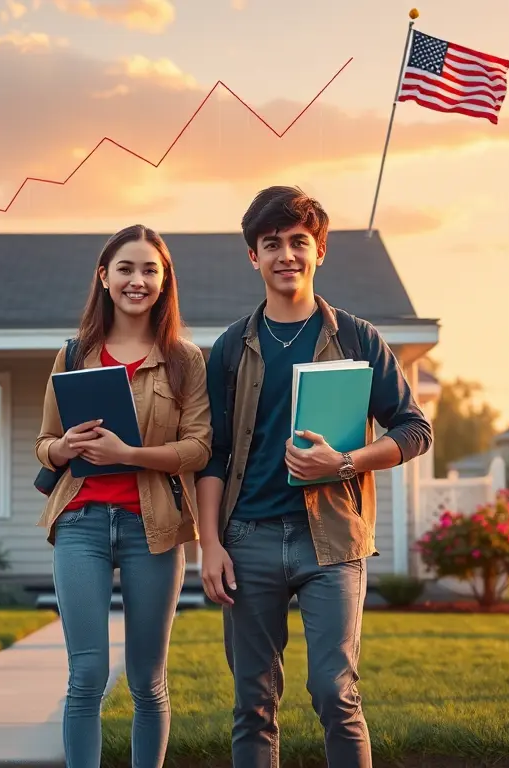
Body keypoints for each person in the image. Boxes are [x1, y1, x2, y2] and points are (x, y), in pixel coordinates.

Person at [195, 186, 433, 768]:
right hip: (246, 538)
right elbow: (214, 455)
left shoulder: (357, 338)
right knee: (253, 702)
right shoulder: (229, 348)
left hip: (330, 540)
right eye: (270, 243)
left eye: (298, 242)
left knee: (335, 692)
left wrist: (345, 462)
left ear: (319, 250)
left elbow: (415, 429)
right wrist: (209, 546)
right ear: (253, 256)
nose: (285, 256)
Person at [34, 224, 212, 768]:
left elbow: (200, 448)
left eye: (150, 270)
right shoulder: (72, 354)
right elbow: (44, 444)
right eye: (126, 269)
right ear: (104, 278)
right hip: (81, 522)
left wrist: (128, 455)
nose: (138, 280)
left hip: (152, 528)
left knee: (147, 678)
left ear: (164, 281)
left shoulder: (185, 360)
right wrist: (63, 446)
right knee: (85, 674)